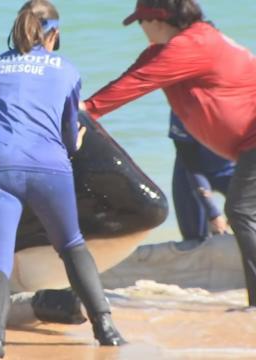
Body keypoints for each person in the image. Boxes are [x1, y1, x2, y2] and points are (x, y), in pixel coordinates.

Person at [0, 1, 126, 356]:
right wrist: (76, 142)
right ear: (54, 32)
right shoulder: (67, 71)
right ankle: (107, 331)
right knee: (71, 244)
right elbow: (69, 135)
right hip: (49, 169)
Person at [81, 0, 256, 306]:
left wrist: (85, 112)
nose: (141, 29)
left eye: (141, 22)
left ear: (158, 20)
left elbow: (135, 85)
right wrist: (81, 110)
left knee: (240, 210)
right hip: (246, 146)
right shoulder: (178, 46)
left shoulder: (189, 46)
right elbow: (130, 78)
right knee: (243, 211)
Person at [169, 111, 234, 241]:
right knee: (194, 240)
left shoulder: (245, 101)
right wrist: (213, 213)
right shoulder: (182, 104)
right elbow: (190, 162)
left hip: (233, 169)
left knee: (246, 223)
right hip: (190, 172)